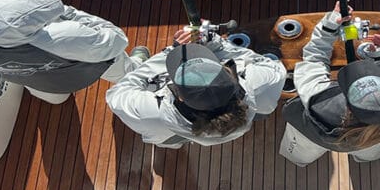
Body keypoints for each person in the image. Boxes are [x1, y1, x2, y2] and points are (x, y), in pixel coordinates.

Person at [0, 0, 146, 104]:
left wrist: (3, 0)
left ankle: (58, 99)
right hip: (77, 74)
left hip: (37, 82)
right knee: (116, 62)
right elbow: (116, 39)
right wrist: (68, 13)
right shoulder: (64, 36)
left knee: (51, 94)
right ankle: (135, 72)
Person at [279, 3, 380, 166]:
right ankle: (364, 158)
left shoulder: (318, 99)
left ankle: (299, 160)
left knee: (301, 152)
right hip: (371, 142)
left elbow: (315, 57)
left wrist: (330, 25)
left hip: (310, 136)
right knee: (369, 151)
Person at [105, 26, 286, 148]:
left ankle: (175, 145)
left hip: (170, 132)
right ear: (229, 75)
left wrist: (168, 53)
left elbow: (118, 92)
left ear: (180, 96)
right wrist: (214, 42)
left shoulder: (149, 112)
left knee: (168, 140)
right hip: (247, 120)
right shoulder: (262, 82)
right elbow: (272, 66)